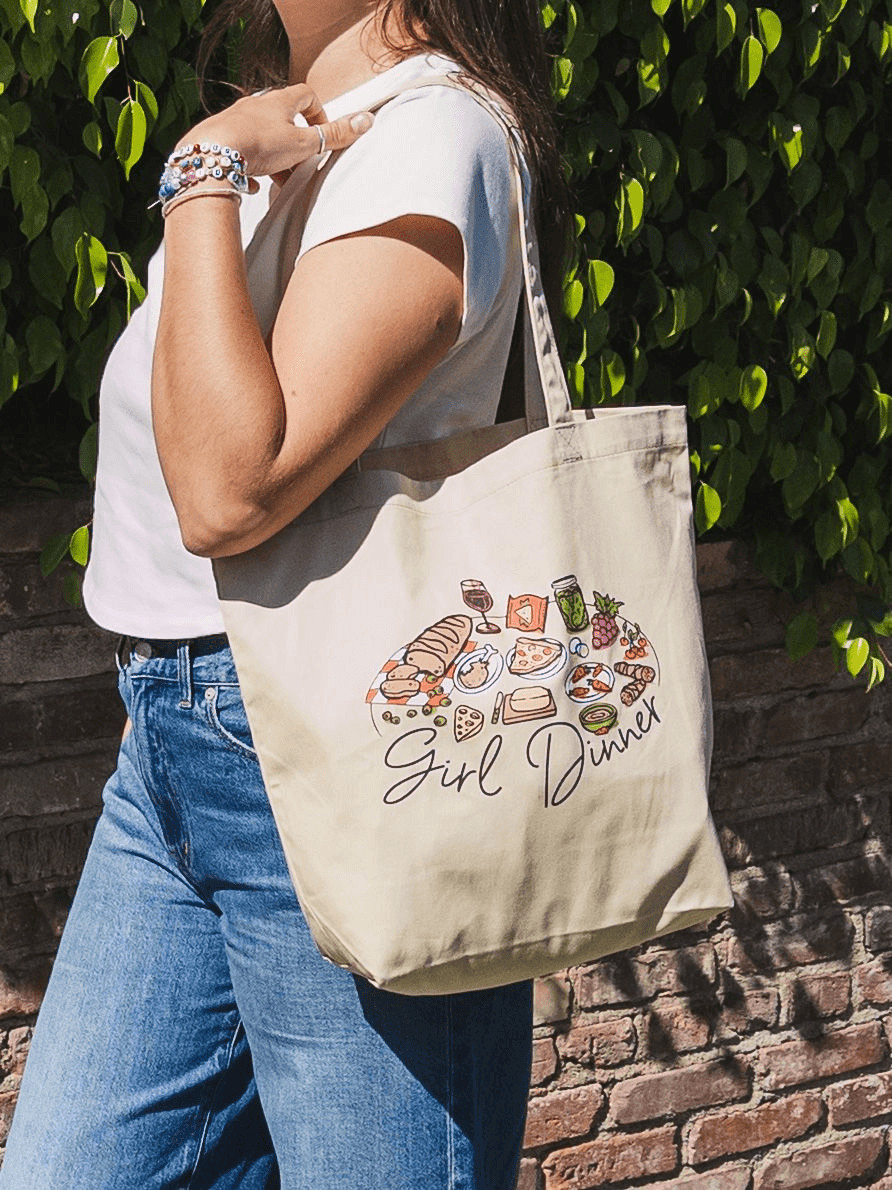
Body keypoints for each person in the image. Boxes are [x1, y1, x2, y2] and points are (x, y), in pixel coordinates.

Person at [0, 1, 569, 1186]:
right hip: (172, 748)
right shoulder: (292, 138)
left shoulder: (433, 139)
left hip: (347, 761)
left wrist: (197, 172)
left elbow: (228, 486)